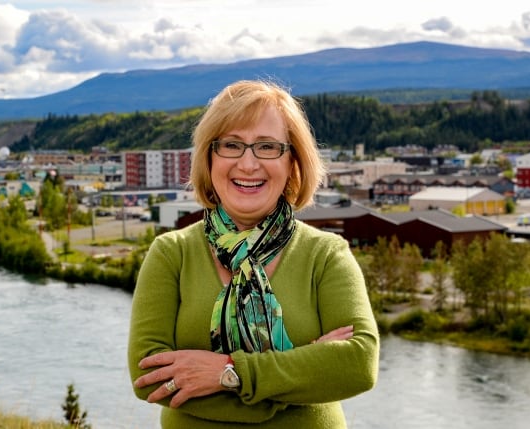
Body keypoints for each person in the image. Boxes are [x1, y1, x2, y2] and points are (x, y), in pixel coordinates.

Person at [127, 79, 379, 428]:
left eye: (267, 147)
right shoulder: (173, 254)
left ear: (292, 161)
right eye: (231, 145)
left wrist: (227, 373)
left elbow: (358, 365)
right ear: (209, 158)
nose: (248, 164)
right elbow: (149, 377)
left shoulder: (326, 255)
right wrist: (301, 369)